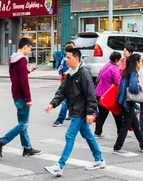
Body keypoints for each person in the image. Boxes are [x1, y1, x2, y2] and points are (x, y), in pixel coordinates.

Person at [44, 48, 106, 176]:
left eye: (69, 57)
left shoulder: (84, 73)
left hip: (81, 111)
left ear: (76, 59)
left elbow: (91, 94)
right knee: (88, 136)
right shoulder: (70, 73)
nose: (66, 60)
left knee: (69, 136)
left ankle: (59, 166)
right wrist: (52, 104)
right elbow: (62, 91)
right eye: (66, 57)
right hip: (76, 110)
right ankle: (99, 159)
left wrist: (90, 112)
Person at [0, 38, 41, 158]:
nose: (30, 51)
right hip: (21, 95)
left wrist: (27, 71)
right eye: (30, 48)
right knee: (23, 124)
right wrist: (29, 98)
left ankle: (27, 148)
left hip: (15, 93)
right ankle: (1, 141)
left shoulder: (13, 58)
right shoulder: (21, 60)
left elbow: (17, 76)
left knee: (22, 122)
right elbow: (23, 81)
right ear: (25, 47)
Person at [113, 53, 143, 155]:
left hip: (124, 101)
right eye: (140, 61)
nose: (141, 63)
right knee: (126, 125)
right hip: (128, 102)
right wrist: (139, 86)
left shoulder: (126, 71)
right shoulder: (133, 73)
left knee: (135, 124)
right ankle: (117, 147)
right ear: (136, 62)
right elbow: (133, 88)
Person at [94, 51, 122, 138]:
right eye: (120, 60)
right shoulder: (113, 68)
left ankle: (97, 132)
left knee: (102, 114)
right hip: (108, 95)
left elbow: (98, 78)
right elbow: (118, 82)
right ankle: (120, 132)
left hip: (99, 93)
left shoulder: (106, 65)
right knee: (117, 113)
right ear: (117, 60)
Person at [53, 42, 75, 126]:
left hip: (67, 82)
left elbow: (60, 70)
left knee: (65, 101)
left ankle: (60, 119)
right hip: (71, 83)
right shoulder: (76, 59)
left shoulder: (65, 59)